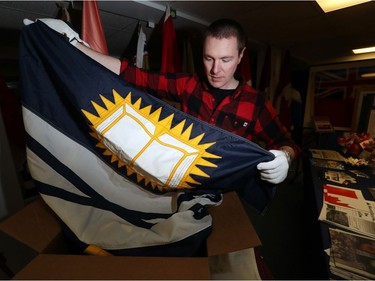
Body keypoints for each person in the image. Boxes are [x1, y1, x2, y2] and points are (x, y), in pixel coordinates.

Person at [24, 17, 300, 185]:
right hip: (188, 184)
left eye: (226, 60)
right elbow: (132, 74)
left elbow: (287, 142)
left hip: (231, 192)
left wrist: (286, 158)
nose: (216, 69)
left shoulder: (257, 103)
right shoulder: (187, 84)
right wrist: (75, 48)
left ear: (241, 57)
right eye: (208, 58)